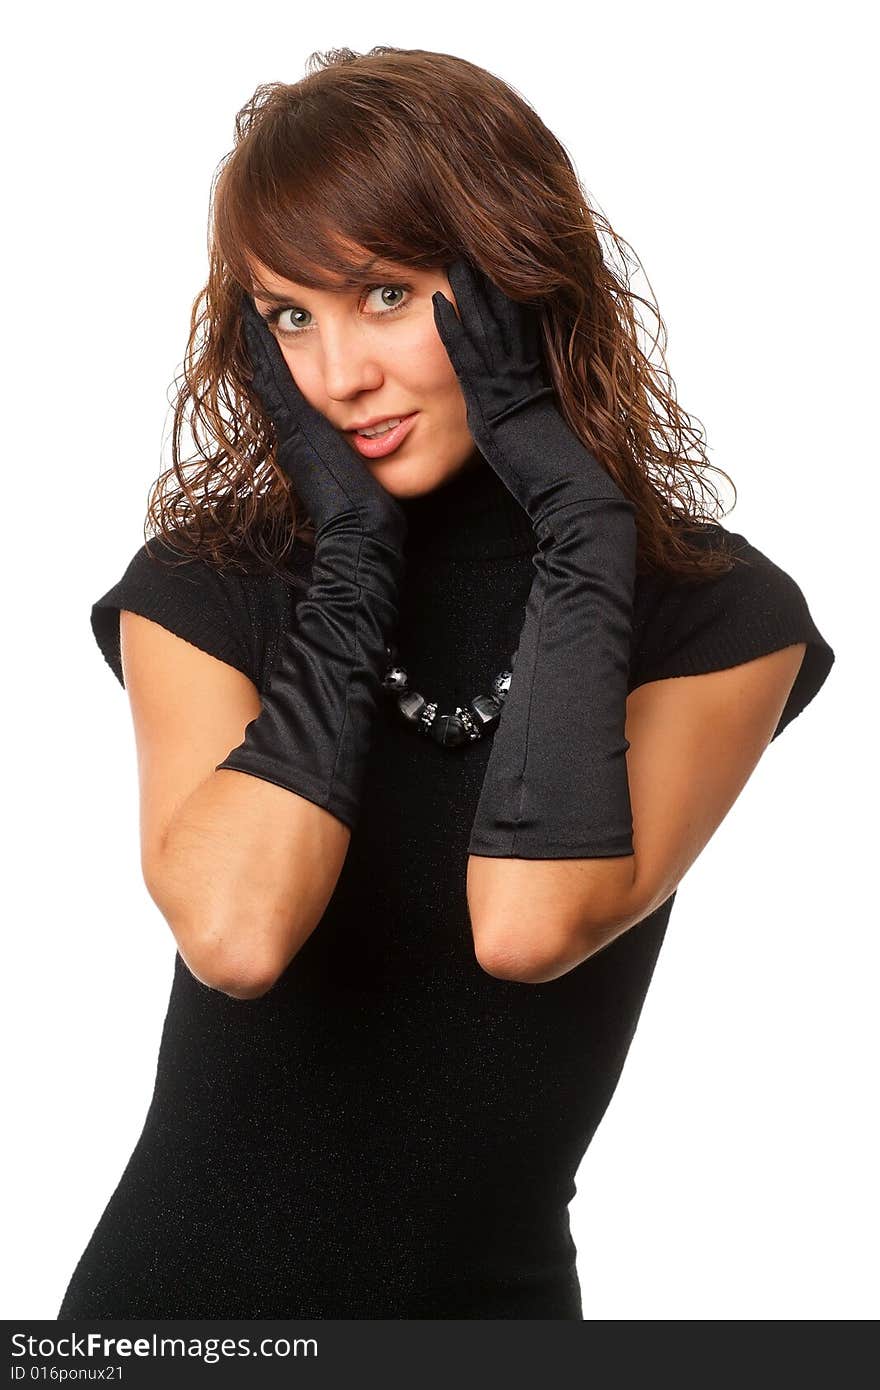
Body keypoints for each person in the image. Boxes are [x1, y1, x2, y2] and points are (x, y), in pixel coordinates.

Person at [57, 47, 835, 1320]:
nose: (336, 375)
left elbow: (528, 926)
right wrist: (355, 555)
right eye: (290, 313)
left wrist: (580, 524)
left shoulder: (718, 613)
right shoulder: (212, 585)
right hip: (173, 1324)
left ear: (512, 280)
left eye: (384, 296)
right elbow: (235, 936)